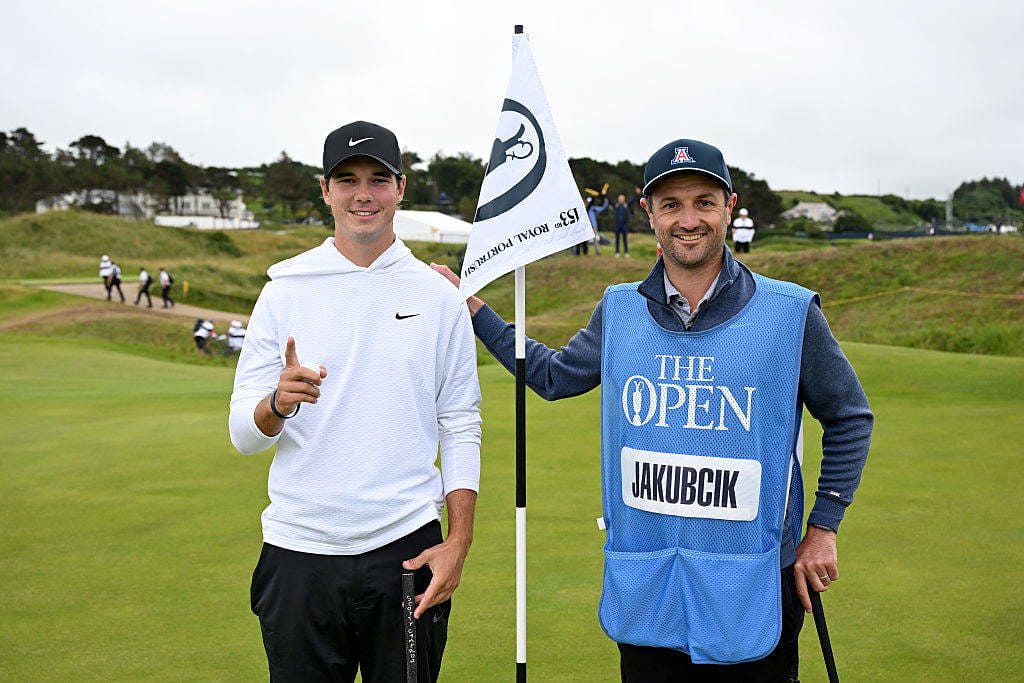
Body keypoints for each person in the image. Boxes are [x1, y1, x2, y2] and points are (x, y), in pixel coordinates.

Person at [431, 138, 872, 682]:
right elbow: (552, 376)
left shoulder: (790, 311)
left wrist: (823, 527)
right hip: (649, 577)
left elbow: (850, 416)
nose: (689, 219)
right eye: (671, 205)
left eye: (704, 202)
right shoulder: (619, 309)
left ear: (729, 206)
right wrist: (473, 309)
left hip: (755, 580)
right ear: (649, 213)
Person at [229, 120, 482, 682]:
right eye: (347, 180)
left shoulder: (439, 295)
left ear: (401, 187)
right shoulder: (284, 288)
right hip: (299, 553)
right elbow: (243, 435)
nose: (362, 194)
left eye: (377, 179)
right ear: (325, 189)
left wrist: (458, 541)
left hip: (407, 550)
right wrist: (277, 401)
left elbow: (460, 422)